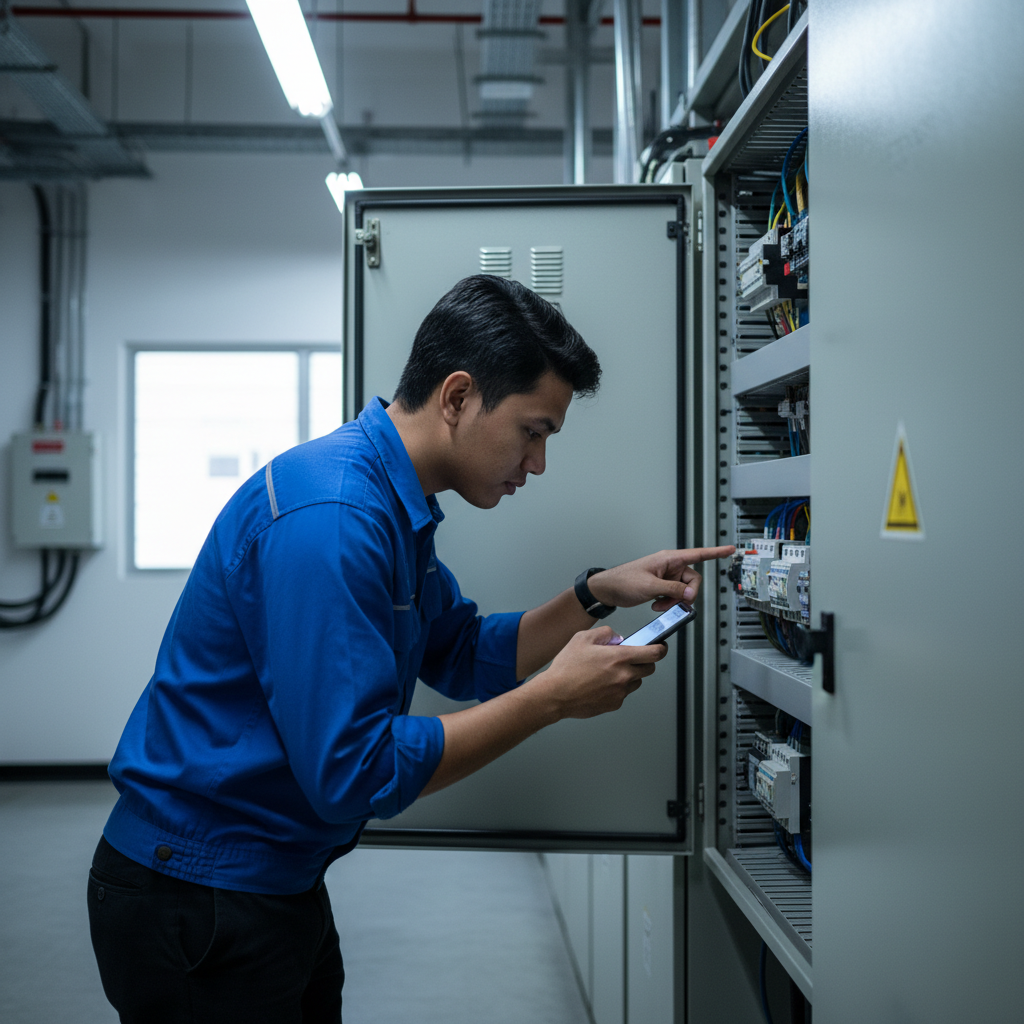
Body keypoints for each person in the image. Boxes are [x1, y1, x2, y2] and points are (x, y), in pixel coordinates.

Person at [87, 275, 735, 1023]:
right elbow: (353, 773)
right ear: (458, 397)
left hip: (270, 879)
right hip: (200, 894)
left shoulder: (392, 504)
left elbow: (460, 650)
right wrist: (551, 699)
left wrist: (595, 592)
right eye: (533, 431)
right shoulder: (335, 517)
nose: (538, 463)